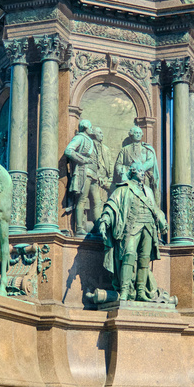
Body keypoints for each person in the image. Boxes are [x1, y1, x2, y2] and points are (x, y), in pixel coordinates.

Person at [98, 162, 168, 301]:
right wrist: (104, 221)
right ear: (132, 172)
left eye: (143, 171)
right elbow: (112, 205)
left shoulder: (148, 191)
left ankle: (141, 292)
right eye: (139, 171)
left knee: (144, 260)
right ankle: (124, 291)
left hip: (148, 227)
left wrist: (162, 220)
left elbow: (154, 208)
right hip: (132, 226)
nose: (142, 173)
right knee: (128, 255)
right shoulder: (124, 189)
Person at [64, 119, 99, 235]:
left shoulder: (89, 139)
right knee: (82, 200)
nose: (91, 129)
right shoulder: (79, 137)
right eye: (90, 127)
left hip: (94, 174)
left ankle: (97, 227)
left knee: (97, 202)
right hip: (85, 172)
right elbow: (68, 151)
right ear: (85, 127)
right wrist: (83, 160)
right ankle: (79, 228)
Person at [114, 126, 160, 203]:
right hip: (129, 177)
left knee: (146, 198)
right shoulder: (125, 150)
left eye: (139, 133)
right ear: (131, 135)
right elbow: (118, 164)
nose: (138, 135)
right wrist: (123, 171)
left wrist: (141, 168)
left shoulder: (146, 149)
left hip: (143, 177)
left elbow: (151, 161)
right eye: (136, 133)